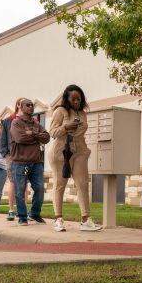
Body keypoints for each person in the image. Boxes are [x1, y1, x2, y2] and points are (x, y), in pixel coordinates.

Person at [49, 84, 102, 232]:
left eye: (79, 99)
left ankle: (86, 219)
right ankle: (58, 219)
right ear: (67, 98)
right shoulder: (60, 111)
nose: (77, 101)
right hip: (61, 151)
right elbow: (52, 132)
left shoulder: (82, 113)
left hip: (79, 151)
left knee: (83, 184)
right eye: (74, 99)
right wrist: (66, 127)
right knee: (60, 184)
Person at [10, 98, 51, 226]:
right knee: (20, 191)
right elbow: (20, 138)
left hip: (36, 162)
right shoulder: (16, 122)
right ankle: (22, 217)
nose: (31, 107)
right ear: (21, 107)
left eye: (32, 105)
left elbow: (47, 137)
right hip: (20, 163)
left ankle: (34, 214)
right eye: (27, 105)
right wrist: (37, 138)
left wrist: (32, 133)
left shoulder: (36, 123)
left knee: (39, 189)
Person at [0, 97, 27, 222]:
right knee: (13, 183)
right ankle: (11, 210)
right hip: (12, 155)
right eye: (25, 104)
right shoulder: (7, 121)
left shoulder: (30, 120)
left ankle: (24, 211)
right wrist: (6, 154)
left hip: (26, 155)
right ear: (18, 105)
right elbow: (3, 139)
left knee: (25, 183)